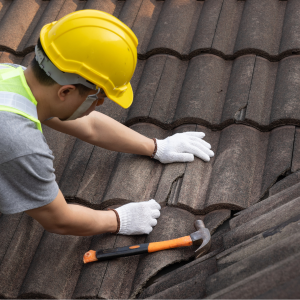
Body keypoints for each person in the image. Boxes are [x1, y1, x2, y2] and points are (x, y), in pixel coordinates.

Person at [0, 10, 214, 237]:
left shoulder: (11, 76)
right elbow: (58, 219)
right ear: (66, 91)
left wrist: (156, 147)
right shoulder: (19, 141)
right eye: (98, 98)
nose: (97, 106)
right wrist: (118, 219)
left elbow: (91, 126)